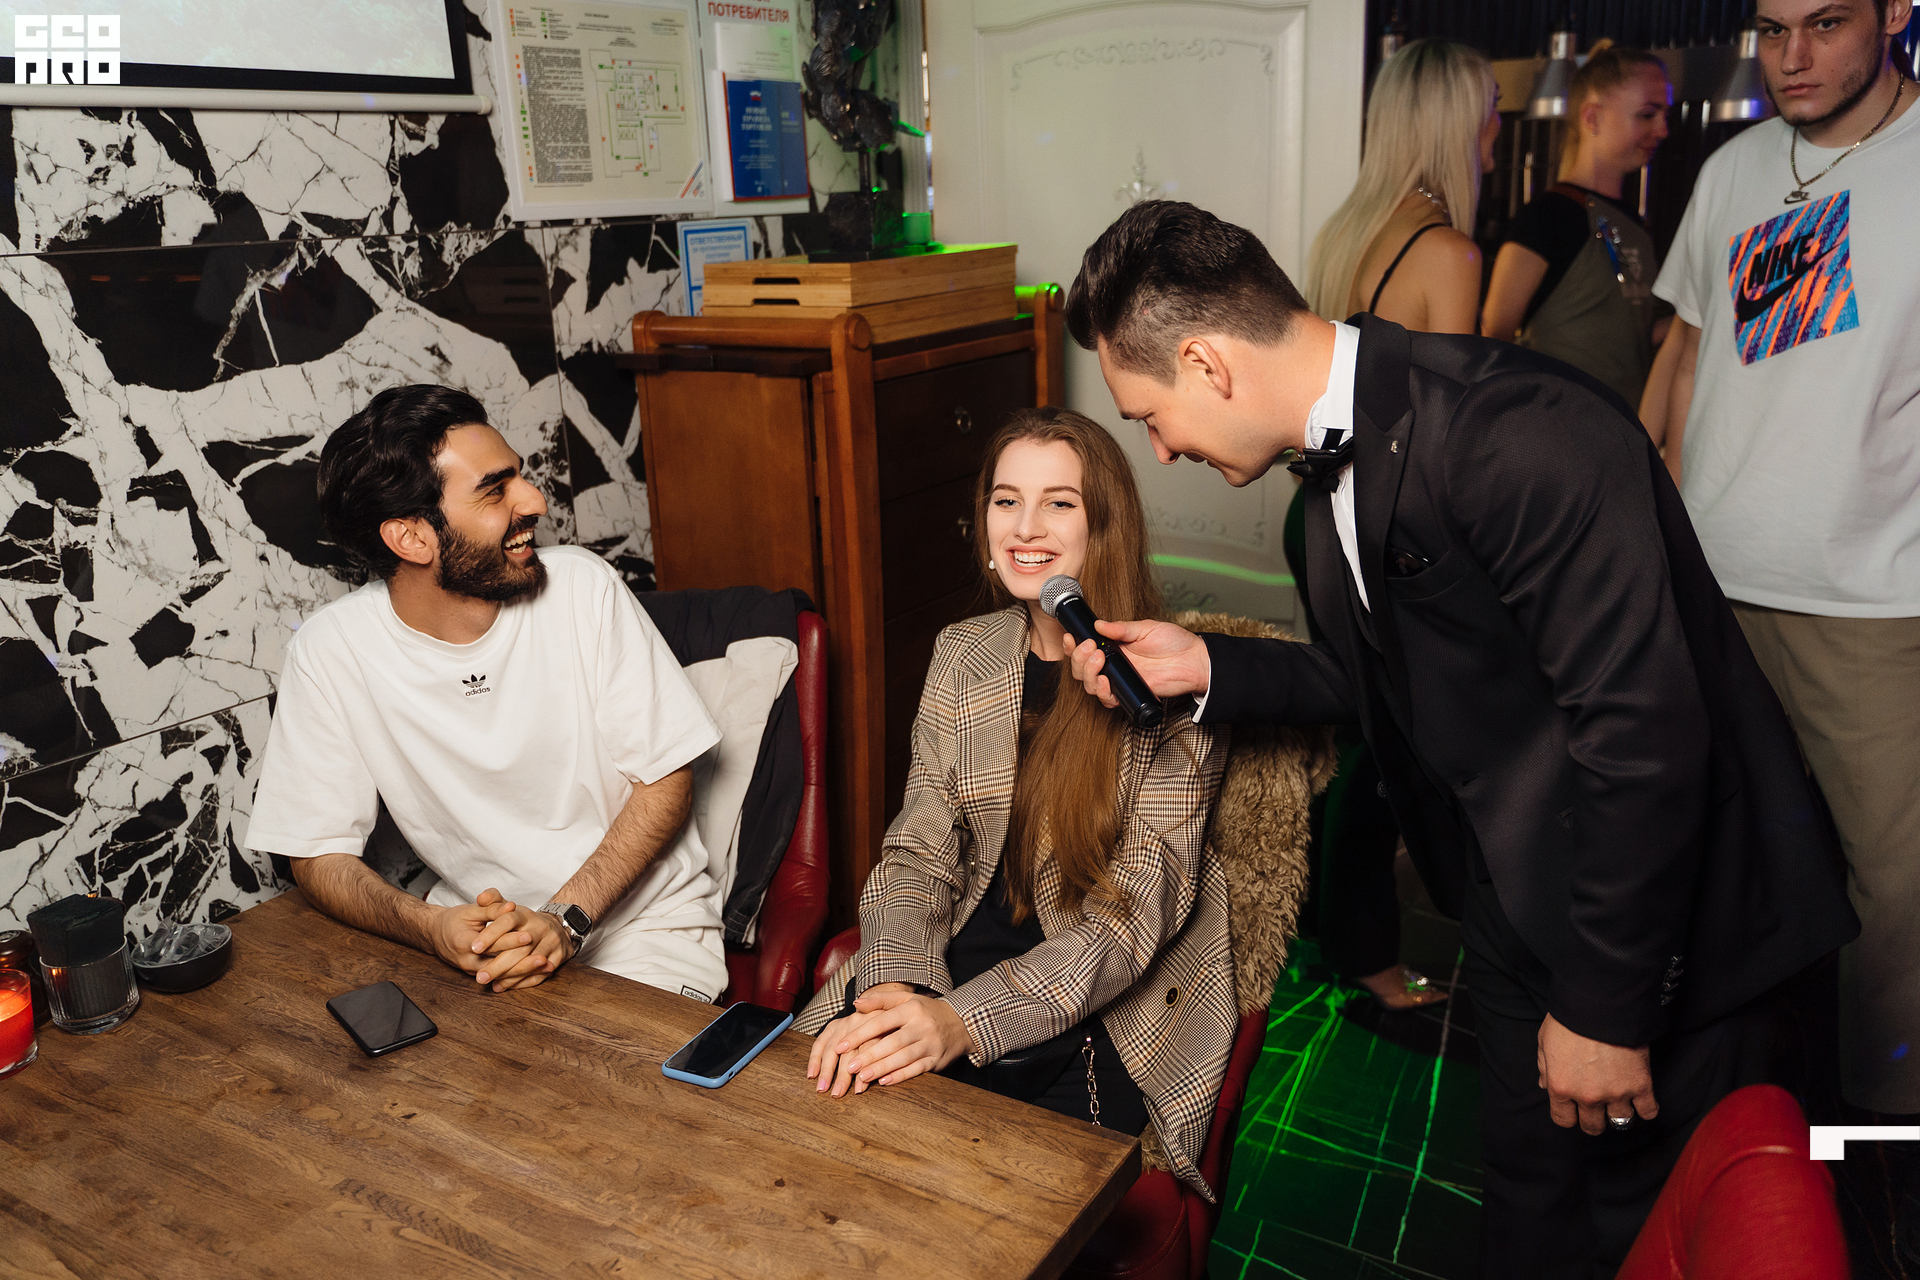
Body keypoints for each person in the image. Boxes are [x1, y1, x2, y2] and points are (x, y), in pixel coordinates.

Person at [1062, 199, 1858, 1275]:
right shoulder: (1321, 489)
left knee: (1665, 1233)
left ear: (1207, 363)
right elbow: (1381, 680)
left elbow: (1643, 733)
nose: (1159, 451)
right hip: (1521, 906)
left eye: (1150, 417)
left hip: (1678, 936)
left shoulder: (1520, 429)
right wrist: (1209, 666)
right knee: (1530, 1219)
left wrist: (1604, 1007)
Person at [791, 407, 1235, 1197]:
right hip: (944, 966)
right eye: (1006, 500)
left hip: (1090, 1011)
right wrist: (900, 987)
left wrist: (962, 1023)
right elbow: (918, 850)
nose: (1026, 527)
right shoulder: (964, 653)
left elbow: (1126, 928)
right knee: (803, 1162)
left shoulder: (1174, 688)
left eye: (1059, 503)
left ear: (1105, 524)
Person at [1640, 0, 1920, 1142]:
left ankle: (1880, 1143)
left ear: (1897, 12)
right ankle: (1724, 1114)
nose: (1791, 58)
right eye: (1770, 28)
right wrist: (1642, 522)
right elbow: (1687, 358)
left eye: (1826, 23)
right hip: (1712, 581)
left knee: (1898, 889)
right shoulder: (1738, 168)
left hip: (1869, 599)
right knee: (1706, 855)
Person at [245, 385, 730, 1002]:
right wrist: (430, 928)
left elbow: (665, 780)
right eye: (495, 491)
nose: (535, 500)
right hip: (474, 945)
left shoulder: (583, 587)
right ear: (411, 539)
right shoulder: (329, 650)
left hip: (644, 932)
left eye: (518, 477)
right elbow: (317, 856)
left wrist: (564, 920)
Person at [1293, 37, 1499, 1011]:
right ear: (1455, 126)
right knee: (1392, 753)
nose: (1495, 140)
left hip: (1323, 510)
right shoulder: (1448, 252)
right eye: (1488, 120)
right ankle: (1369, 957)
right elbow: (1452, 440)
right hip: (1390, 528)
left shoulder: (1348, 233)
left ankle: (1335, 933)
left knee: (1360, 741)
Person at [1483, 43, 1674, 408]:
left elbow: (1633, 334)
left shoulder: (1634, 224)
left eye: (1665, 114)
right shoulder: (1548, 216)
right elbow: (1494, 331)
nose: (1663, 129)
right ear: (1592, 118)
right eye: (1648, 114)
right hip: (1560, 426)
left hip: (1622, 427)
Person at [1304, 38, 1499, 332]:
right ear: (1464, 122)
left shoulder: (1339, 233)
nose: (1498, 120)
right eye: (1494, 102)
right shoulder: (1449, 255)